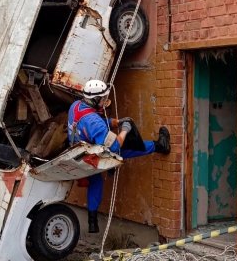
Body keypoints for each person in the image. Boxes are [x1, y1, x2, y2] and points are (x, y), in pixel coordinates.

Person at [68, 80, 171, 233]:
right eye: (102, 99)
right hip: (94, 154)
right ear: (95, 100)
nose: (104, 101)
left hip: (79, 153)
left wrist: (115, 122)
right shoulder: (94, 123)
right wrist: (125, 130)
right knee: (128, 149)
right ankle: (160, 146)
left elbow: (95, 120)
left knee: (95, 181)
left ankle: (92, 222)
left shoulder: (76, 105)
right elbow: (114, 146)